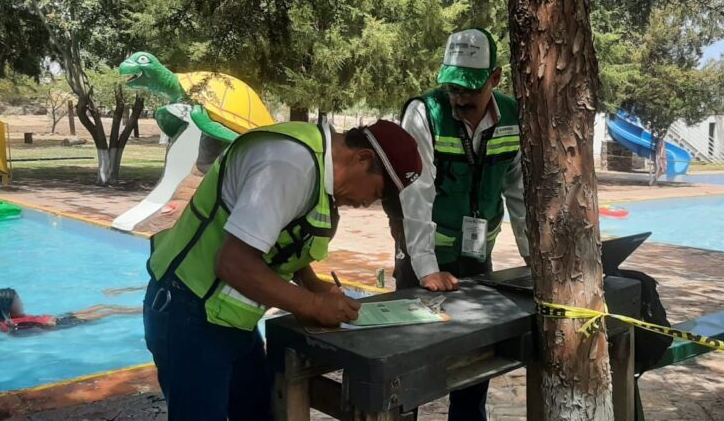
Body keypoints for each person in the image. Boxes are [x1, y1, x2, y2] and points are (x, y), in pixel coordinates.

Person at [142, 120, 422, 420]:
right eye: (377, 192)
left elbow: (278, 237)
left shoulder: (314, 164)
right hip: (188, 313)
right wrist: (312, 304)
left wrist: (313, 284)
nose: (367, 203)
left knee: (259, 412)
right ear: (363, 158)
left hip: (226, 319)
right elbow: (234, 263)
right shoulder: (290, 164)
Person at [386, 28, 529, 421]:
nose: (460, 98)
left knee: (472, 377)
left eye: (470, 88)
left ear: (495, 78)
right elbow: (416, 191)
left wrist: (534, 261)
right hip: (422, 262)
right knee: (406, 377)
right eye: (453, 88)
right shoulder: (424, 113)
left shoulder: (514, 117)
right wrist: (427, 268)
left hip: (478, 260)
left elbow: (518, 192)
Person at [0, 288, 140, 334]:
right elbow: (40, 326)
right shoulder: (10, 324)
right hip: (61, 323)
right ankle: (142, 311)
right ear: (7, 306)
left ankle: (140, 309)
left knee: (102, 305)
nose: (21, 302)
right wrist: (48, 323)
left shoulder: (7, 319)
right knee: (109, 312)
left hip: (59, 318)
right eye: (17, 300)